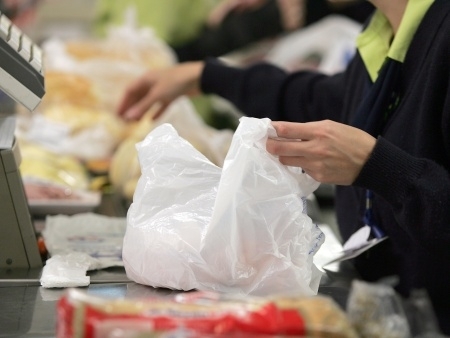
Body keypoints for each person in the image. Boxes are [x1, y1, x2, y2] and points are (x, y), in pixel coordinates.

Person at [116, 0, 450, 334]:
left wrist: (377, 167)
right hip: (386, 314)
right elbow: (325, 100)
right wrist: (207, 75)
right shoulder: (385, 31)